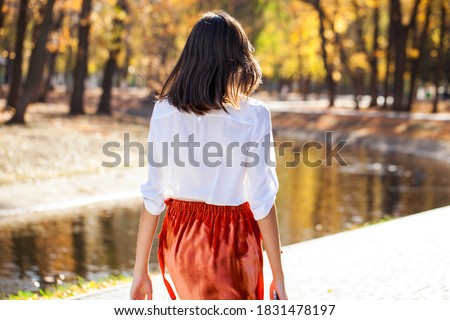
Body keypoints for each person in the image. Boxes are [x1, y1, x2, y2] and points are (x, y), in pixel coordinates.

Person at [130, 10, 287, 300]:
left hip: (179, 237)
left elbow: (153, 194)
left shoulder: (164, 110)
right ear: (237, 59)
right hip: (233, 237)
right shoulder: (253, 115)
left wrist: (140, 271)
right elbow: (262, 200)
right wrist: (279, 276)